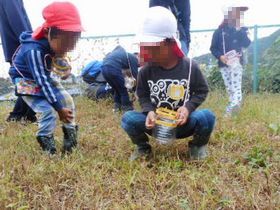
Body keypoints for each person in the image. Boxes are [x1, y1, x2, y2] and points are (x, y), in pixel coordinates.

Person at [121, 6, 216, 161]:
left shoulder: (190, 66)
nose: (147, 52)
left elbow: (202, 91)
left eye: (153, 47)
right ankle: (143, 148)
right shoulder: (146, 70)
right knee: (128, 119)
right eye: (146, 46)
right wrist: (149, 111)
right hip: (157, 125)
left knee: (207, 117)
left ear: (170, 43)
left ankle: (197, 146)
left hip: (183, 124)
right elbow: (142, 94)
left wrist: (187, 108)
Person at [9, 1, 84, 154]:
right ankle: (46, 142)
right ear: (49, 32)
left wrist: (65, 69)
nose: (68, 47)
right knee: (47, 110)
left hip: (42, 77)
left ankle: (70, 139)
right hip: (25, 80)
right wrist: (58, 108)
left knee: (67, 100)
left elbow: (58, 57)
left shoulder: (53, 42)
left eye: (73, 41)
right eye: (65, 41)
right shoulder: (33, 50)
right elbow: (42, 81)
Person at [210, 2, 251, 117]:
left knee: (236, 86)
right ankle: (235, 109)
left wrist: (240, 31)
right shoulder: (219, 32)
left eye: (240, 13)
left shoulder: (241, 30)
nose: (239, 15)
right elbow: (213, 48)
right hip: (224, 64)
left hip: (237, 63)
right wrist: (220, 56)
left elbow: (247, 43)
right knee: (229, 88)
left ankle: (231, 111)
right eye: (236, 13)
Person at [0, 0, 37, 123]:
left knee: (28, 82)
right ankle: (19, 115)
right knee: (29, 80)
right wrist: (30, 42)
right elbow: (17, 20)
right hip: (20, 46)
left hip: (16, 46)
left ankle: (25, 115)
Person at [101, 45, 139, 112]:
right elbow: (134, 75)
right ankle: (127, 109)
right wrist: (134, 89)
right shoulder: (133, 58)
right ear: (138, 56)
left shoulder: (123, 56)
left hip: (103, 69)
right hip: (112, 68)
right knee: (124, 89)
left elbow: (126, 75)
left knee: (117, 89)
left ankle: (116, 108)